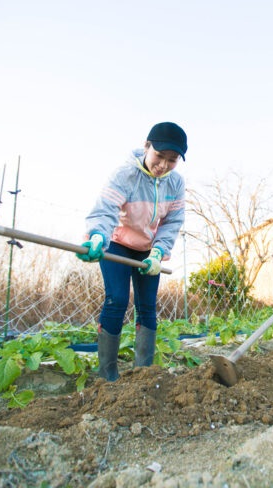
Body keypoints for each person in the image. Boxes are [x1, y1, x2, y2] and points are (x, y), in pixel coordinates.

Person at [76, 122, 187, 381]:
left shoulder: (176, 183)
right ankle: (107, 376)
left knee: (147, 306)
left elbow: (172, 222)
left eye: (172, 160)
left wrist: (158, 252)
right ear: (147, 146)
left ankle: (143, 374)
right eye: (160, 156)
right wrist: (96, 237)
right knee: (117, 299)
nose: (164, 165)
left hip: (148, 251)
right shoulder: (125, 174)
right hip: (118, 244)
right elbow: (105, 210)